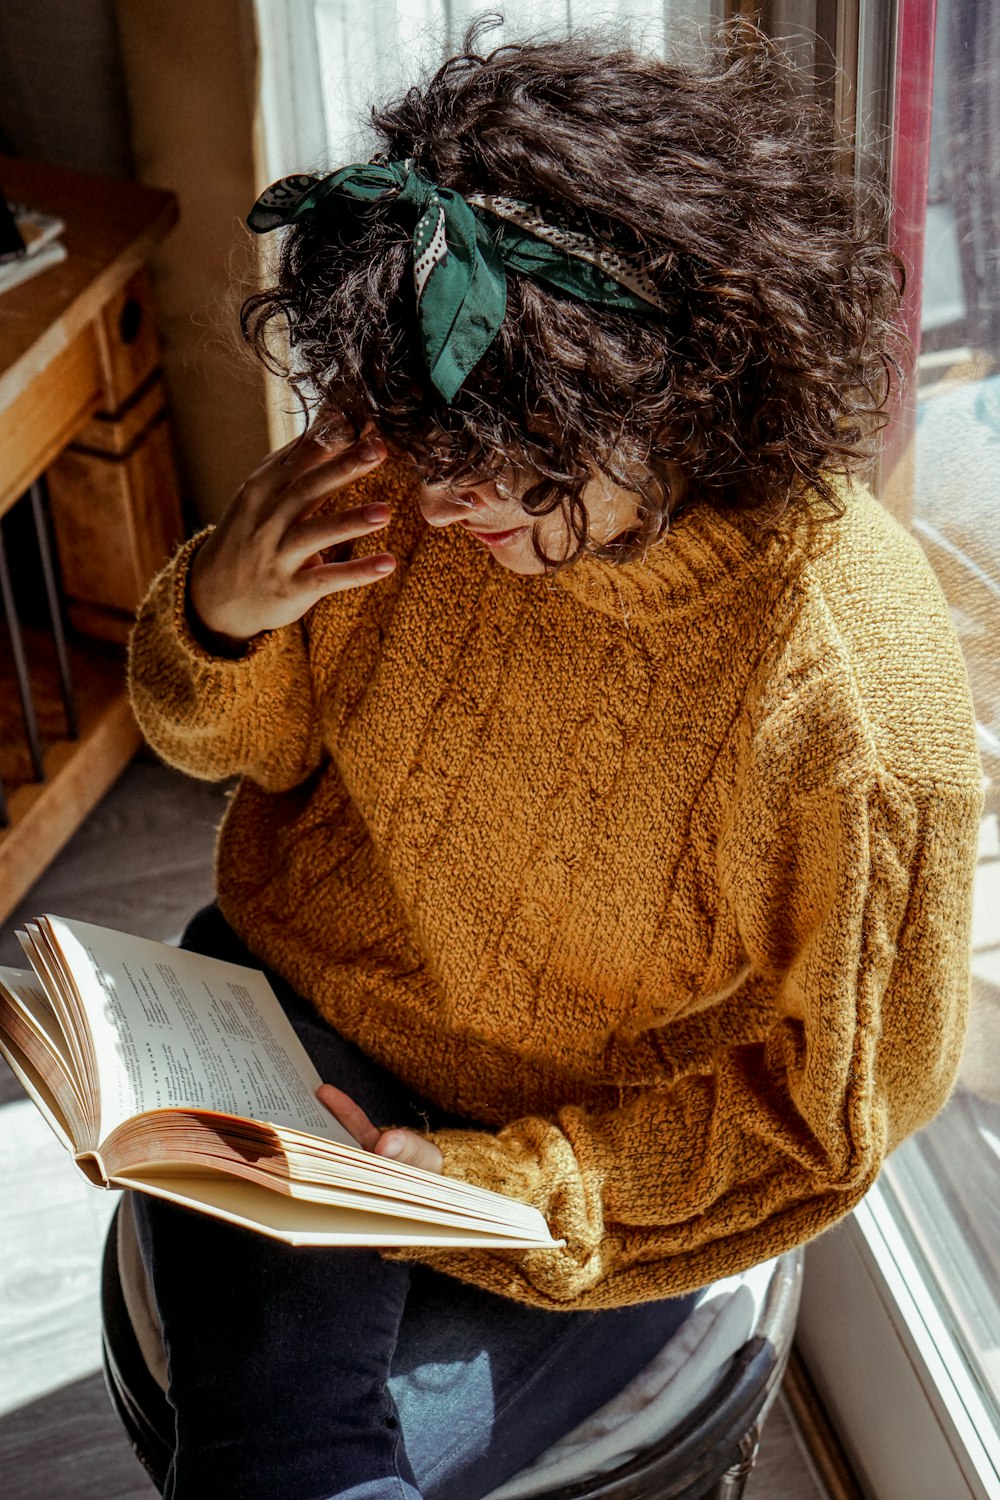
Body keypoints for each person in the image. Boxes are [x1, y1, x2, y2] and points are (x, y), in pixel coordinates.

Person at [126, 21, 983, 1500]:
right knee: (279, 1448)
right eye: (421, 441)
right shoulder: (417, 457)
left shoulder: (854, 719)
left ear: (682, 371)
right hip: (292, 1025)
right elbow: (243, 755)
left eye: (512, 462)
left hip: (588, 1158)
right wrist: (222, 617)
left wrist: (485, 1190)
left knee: (292, 1463)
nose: (443, 506)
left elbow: (819, 1127)